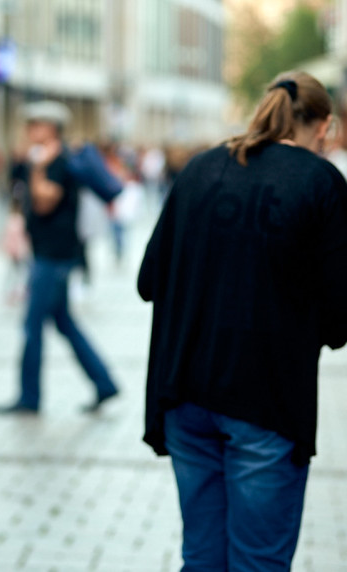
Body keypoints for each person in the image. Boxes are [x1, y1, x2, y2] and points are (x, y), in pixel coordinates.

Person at [137, 71, 347, 571]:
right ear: (324, 126)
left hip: (183, 391)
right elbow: (341, 318)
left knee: (203, 557)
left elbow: (149, 281)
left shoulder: (200, 168)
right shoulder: (319, 182)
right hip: (266, 399)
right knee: (258, 563)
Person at [0, 100, 118, 415]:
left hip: (54, 257)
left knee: (32, 326)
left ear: (50, 127)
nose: (28, 131)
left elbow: (44, 203)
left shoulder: (60, 161)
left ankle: (29, 397)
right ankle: (104, 383)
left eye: (34, 124)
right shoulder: (43, 159)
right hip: (49, 255)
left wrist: (36, 168)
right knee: (64, 322)